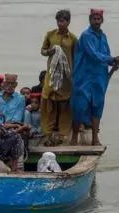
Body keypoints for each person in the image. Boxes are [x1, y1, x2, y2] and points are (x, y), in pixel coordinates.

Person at [70, 8, 119, 146]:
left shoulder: (103, 36)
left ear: (102, 20)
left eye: (98, 19)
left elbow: (106, 55)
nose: (96, 21)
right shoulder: (86, 35)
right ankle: (74, 137)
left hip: (99, 76)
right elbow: (93, 55)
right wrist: (111, 59)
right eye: (94, 19)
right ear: (90, 20)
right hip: (84, 76)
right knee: (80, 106)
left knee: (98, 106)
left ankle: (95, 138)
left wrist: (114, 62)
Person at [40, 9, 78, 146]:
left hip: (66, 76)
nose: (60, 23)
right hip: (52, 73)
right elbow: (42, 51)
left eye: (63, 21)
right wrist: (49, 52)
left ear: (68, 22)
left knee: (64, 104)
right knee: (48, 100)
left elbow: (76, 57)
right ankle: (48, 132)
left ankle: (63, 133)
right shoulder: (50, 35)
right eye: (58, 20)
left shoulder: (73, 39)